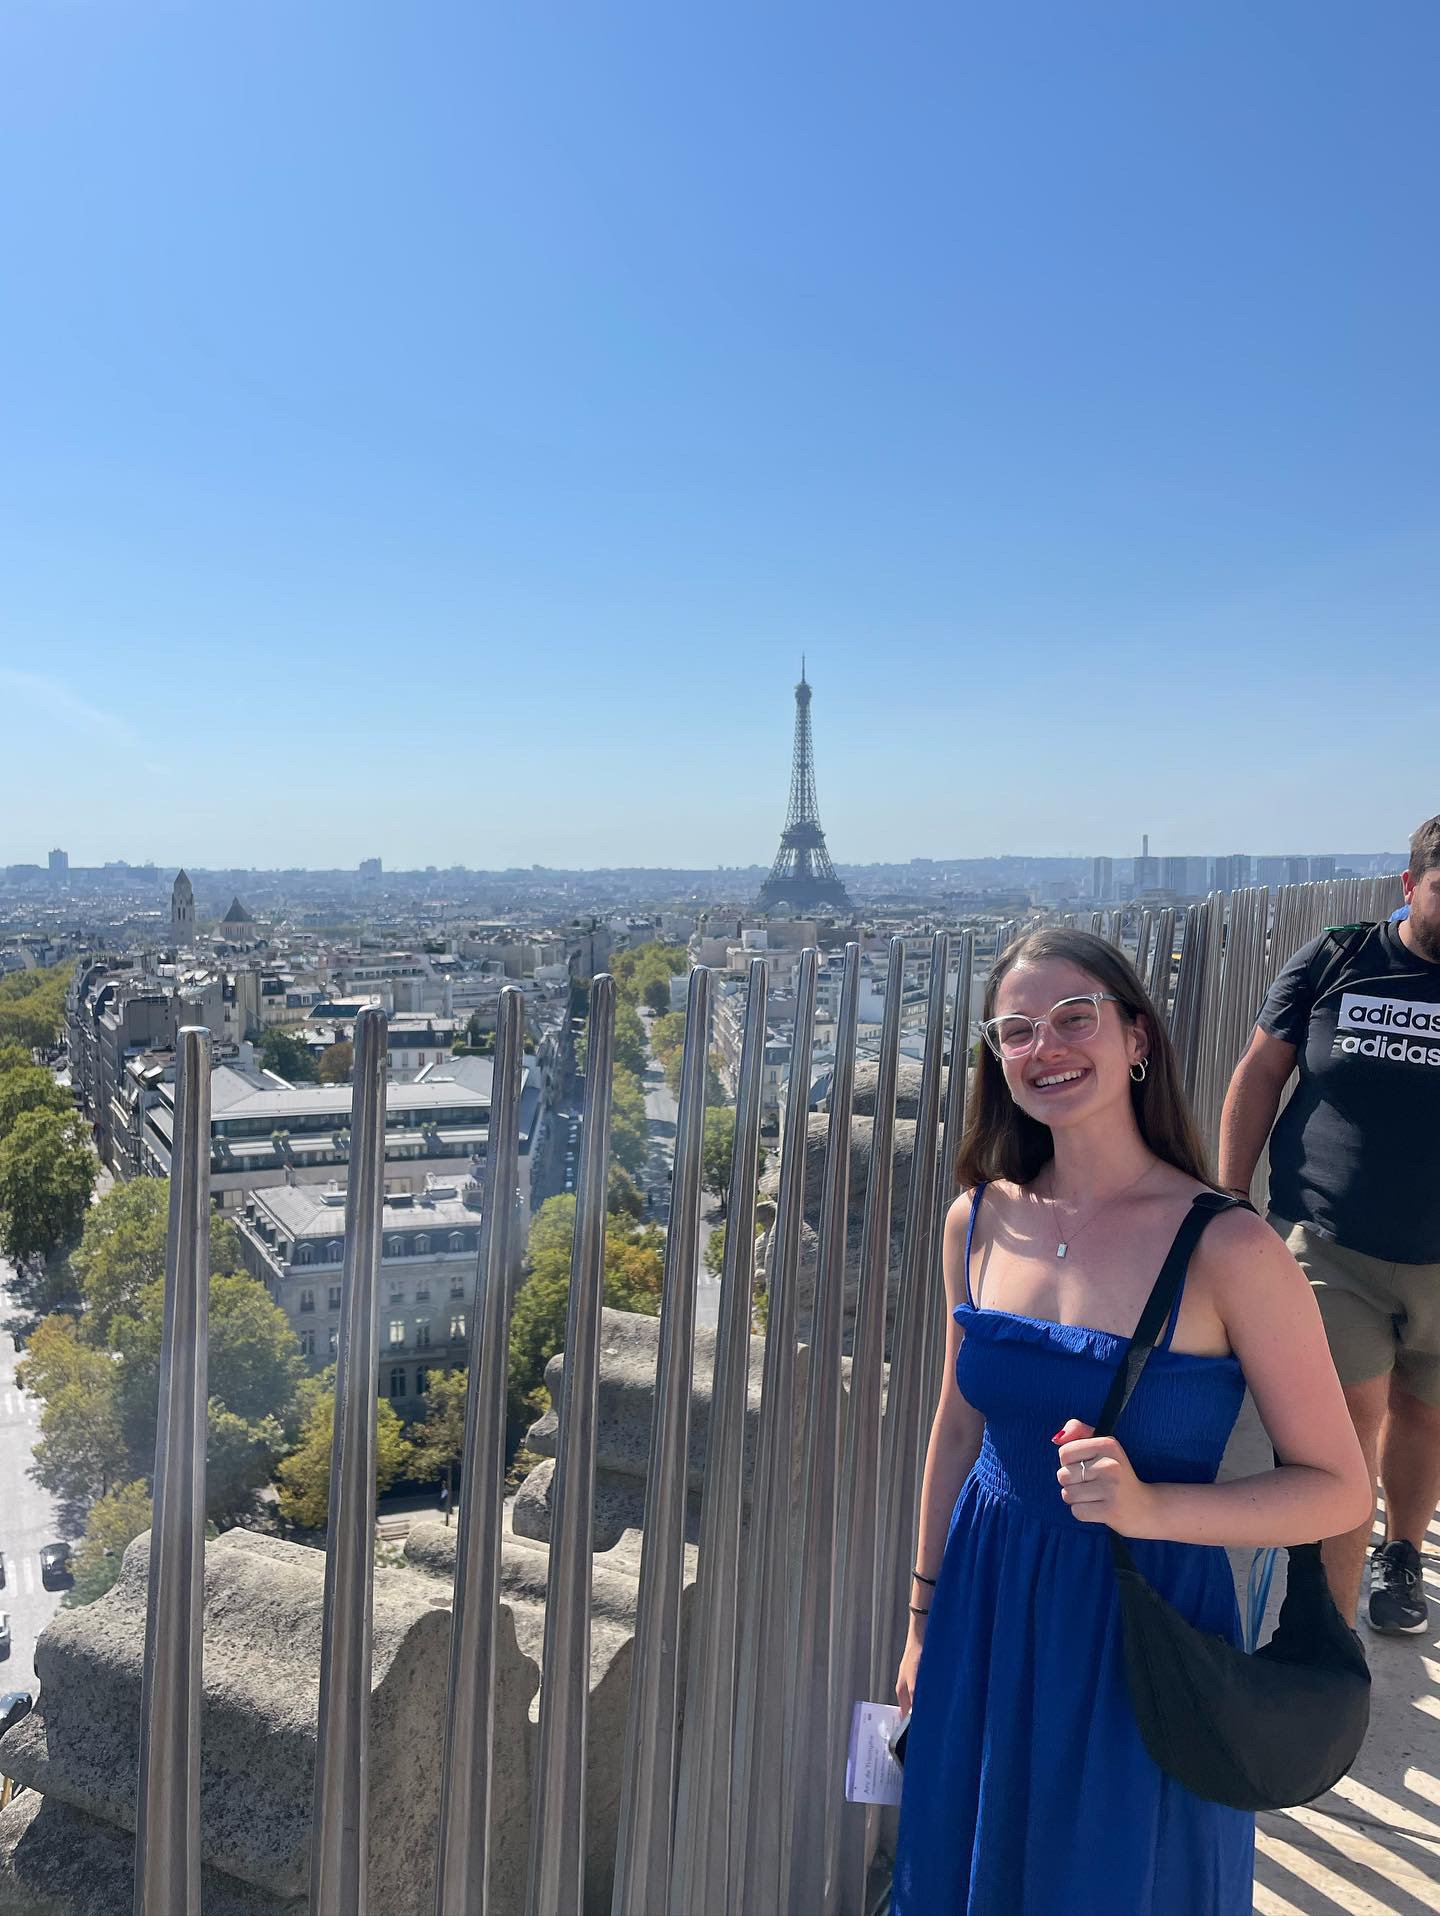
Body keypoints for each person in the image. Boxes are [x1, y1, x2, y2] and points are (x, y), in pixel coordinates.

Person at [892, 929, 1368, 1915]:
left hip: (1140, 1613)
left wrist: (1151, 1508)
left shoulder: (1228, 1246)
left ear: (1137, 1036)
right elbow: (955, 1433)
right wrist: (921, 1625)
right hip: (986, 1594)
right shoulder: (975, 1218)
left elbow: (1337, 1486)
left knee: (1109, 1875)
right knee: (975, 1853)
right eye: (1016, 1029)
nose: (1044, 1046)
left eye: (1076, 1017)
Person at [1219, 815, 1440, 1633]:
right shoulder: (1339, 958)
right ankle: (1328, 1634)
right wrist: (1231, 1198)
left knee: (1425, 1415)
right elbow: (1259, 1073)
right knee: (1345, 1430)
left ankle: (1404, 1551)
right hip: (1331, 1241)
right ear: (1409, 886)